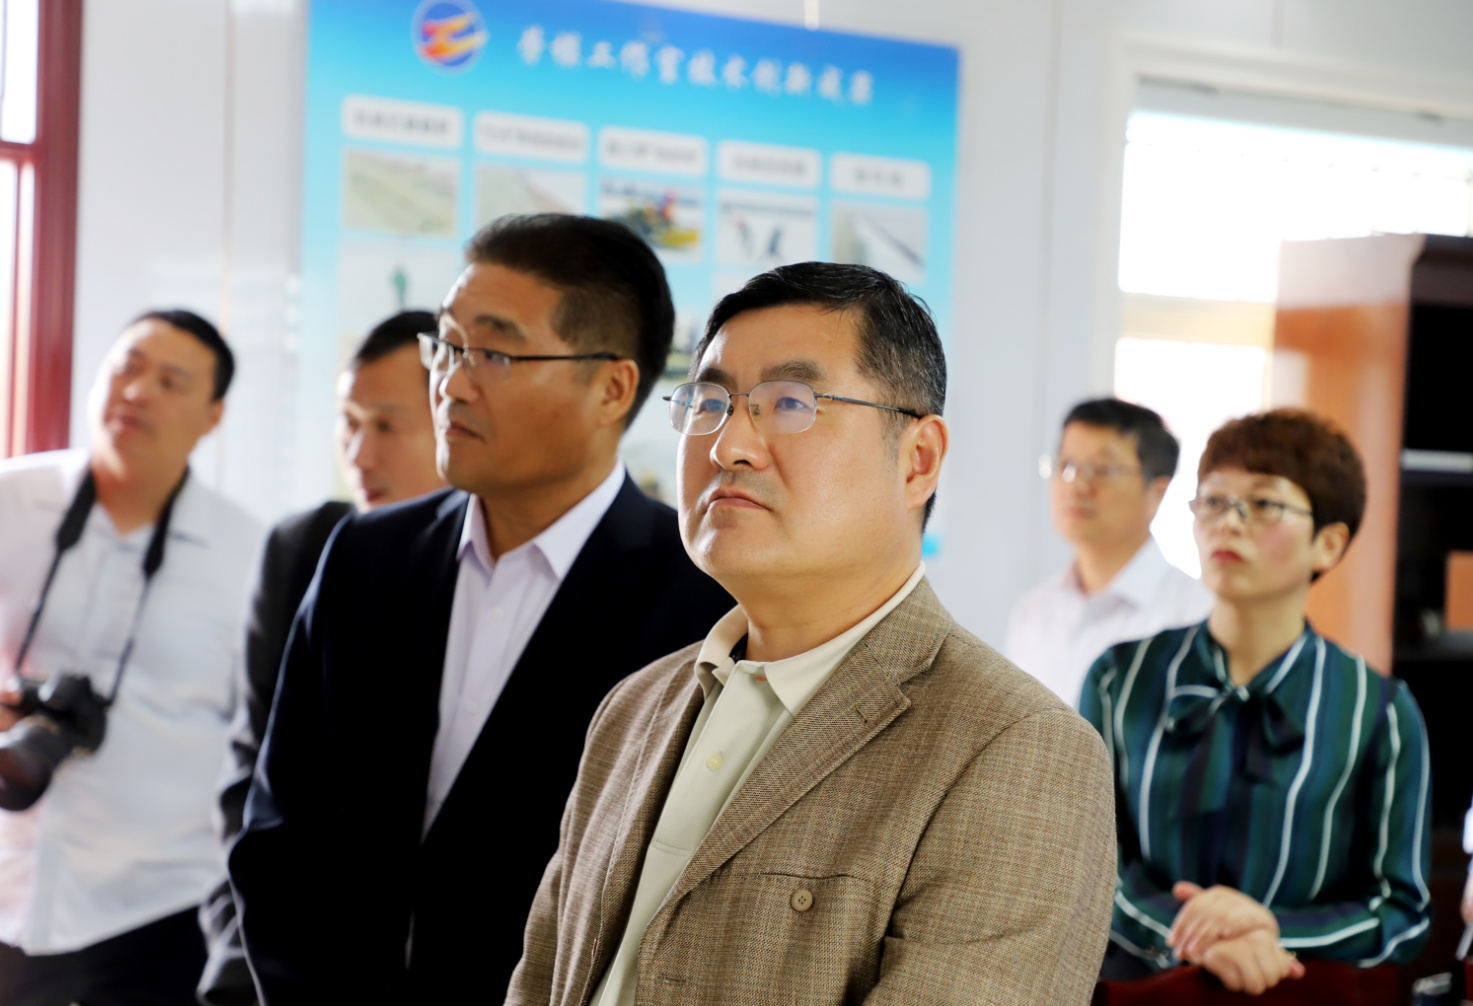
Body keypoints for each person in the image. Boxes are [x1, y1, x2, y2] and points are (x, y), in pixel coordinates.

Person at [509, 262, 1118, 1006]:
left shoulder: (1017, 749)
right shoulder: (633, 708)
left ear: (918, 460)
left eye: (790, 403)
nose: (729, 444)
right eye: (709, 402)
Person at [229, 214, 733, 1004]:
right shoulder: (365, 557)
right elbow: (280, 832)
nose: (451, 384)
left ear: (611, 388)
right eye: (447, 345)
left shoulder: (702, 605)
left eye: (493, 354)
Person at [1080, 409, 1432, 995]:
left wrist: (1271, 929)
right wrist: (1195, 935)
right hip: (1140, 993)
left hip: (1300, 994)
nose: (1228, 523)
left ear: (1329, 543)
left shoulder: (1380, 712)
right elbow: (1084, 865)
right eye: (1214, 501)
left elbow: (1402, 912)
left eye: (1263, 504)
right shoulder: (1119, 679)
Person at [0, 311, 262, 1005]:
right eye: (127, 368)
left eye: (171, 382)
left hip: (158, 914)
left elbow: (263, 748)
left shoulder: (250, 556)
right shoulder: (9, 500)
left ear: (213, 416)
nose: (138, 391)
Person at [198, 309, 445, 1004]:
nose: (359, 454)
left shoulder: (517, 579)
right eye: (348, 422)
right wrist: (240, 950)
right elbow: (250, 771)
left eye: (387, 426)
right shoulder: (304, 546)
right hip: (278, 963)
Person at [1007, 398, 1213, 705]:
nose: (1076, 485)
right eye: (1066, 464)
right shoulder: (1033, 613)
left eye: (1101, 469)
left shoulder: (1195, 616)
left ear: (1157, 492)